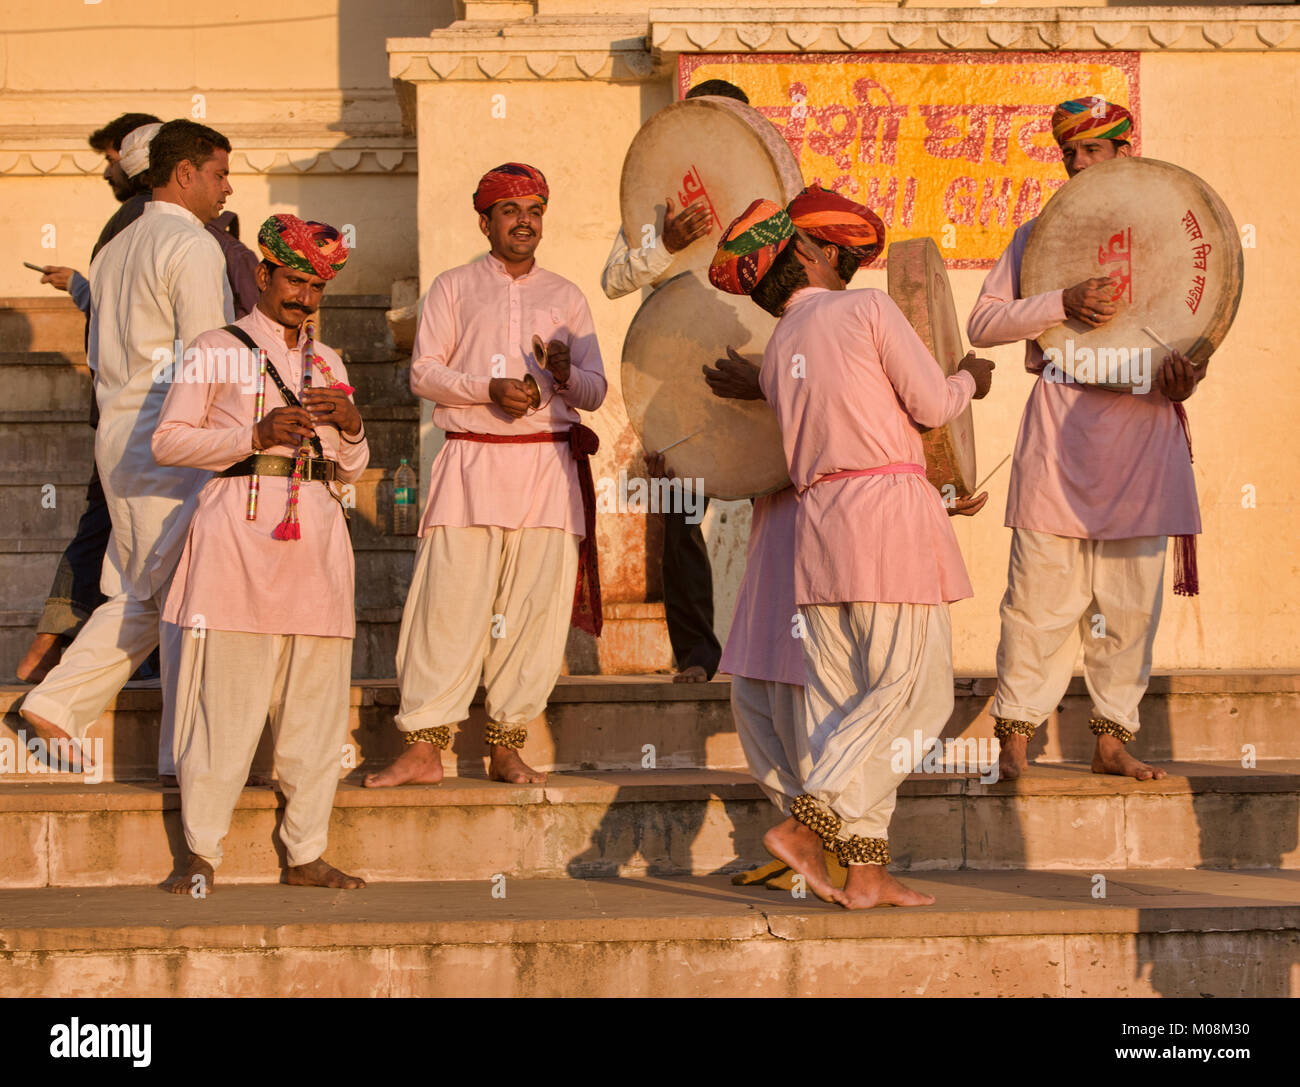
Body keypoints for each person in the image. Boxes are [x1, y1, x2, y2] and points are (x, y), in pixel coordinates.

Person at [709, 198, 995, 908]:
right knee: (914, 698)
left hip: (820, 527)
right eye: (827, 249)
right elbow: (931, 405)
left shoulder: (779, 345)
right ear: (808, 257)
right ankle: (807, 826)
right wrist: (970, 381)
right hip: (886, 516)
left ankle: (863, 870)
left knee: (841, 707)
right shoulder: (863, 310)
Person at [967, 97, 1206, 785]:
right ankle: (1015, 735)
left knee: (1128, 605)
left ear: (1128, 150)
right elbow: (983, 323)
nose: (1077, 163)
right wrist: (1059, 304)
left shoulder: (1170, 237)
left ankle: (1111, 739)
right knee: (1037, 599)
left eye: (1094, 150)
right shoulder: (1040, 236)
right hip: (1059, 439)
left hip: (1144, 439)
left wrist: (1187, 378)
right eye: (1069, 151)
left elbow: (1197, 327)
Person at [365, 162, 606, 790]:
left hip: (546, 468)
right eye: (510, 210)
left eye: (533, 209)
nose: (524, 220)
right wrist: (487, 390)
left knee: (533, 612)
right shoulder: (452, 287)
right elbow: (423, 373)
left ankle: (508, 746)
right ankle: (424, 747)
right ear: (486, 220)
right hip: (472, 460)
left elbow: (596, 390)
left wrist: (560, 374)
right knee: (448, 605)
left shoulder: (568, 297)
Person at [153, 214, 366, 894]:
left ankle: (305, 852)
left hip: (317, 544)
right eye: (294, 282)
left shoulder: (330, 361)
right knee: (227, 700)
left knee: (316, 706)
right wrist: (254, 433)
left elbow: (353, 468)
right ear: (264, 276)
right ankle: (201, 853)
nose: (304, 299)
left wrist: (354, 428)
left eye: (316, 288)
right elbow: (169, 441)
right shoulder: (215, 347)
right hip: (236, 541)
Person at [19, 119, 236, 780]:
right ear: (184, 173)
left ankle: (168, 748)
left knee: (162, 589)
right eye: (220, 173)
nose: (227, 188)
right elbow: (210, 357)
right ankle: (69, 704)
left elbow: (98, 354)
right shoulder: (192, 246)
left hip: (121, 434)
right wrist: (235, 440)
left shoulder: (116, 247)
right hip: (171, 437)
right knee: (177, 590)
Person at [601, 79, 752, 683]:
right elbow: (615, 279)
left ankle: (779, 650)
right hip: (679, 380)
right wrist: (662, 245)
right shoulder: (657, 198)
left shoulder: (766, 190)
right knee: (683, 514)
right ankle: (697, 656)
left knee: (782, 508)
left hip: (761, 367)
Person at [17, 113, 161, 684]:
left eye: (114, 156)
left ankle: (52, 648)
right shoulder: (142, 220)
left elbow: (122, 310)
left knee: (114, 529)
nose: (110, 169)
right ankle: (55, 651)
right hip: (144, 413)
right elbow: (124, 312)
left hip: (136, 412)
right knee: (123, 533)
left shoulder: (143, 220)